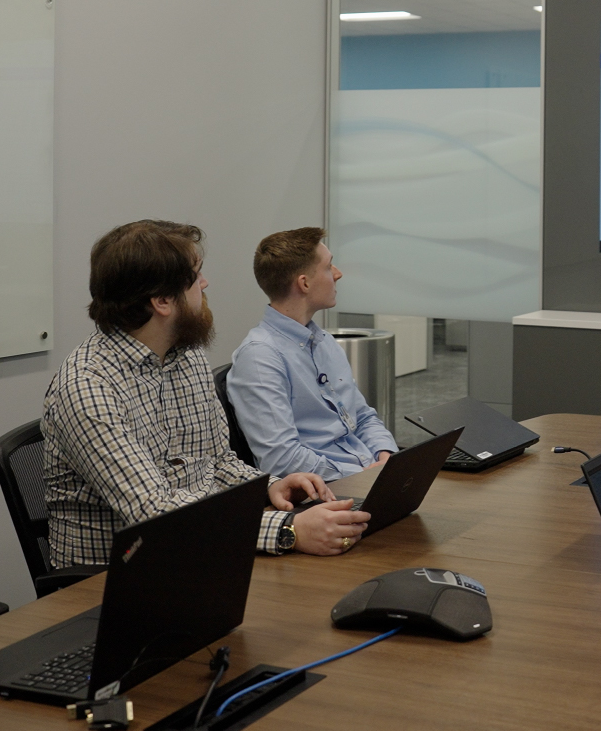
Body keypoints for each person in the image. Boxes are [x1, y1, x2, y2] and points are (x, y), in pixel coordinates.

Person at [41, 220, 369, 567]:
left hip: (195, 552)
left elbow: (217, 463)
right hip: (115, 580)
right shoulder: (88, 387)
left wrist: (270, 486)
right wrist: (288, 528)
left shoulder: (187, 356)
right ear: (163, 301)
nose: (205, 282)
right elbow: (155, 513)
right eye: (196, 275)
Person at [227, 228, 398, 481]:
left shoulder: (323, 341)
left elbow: (360, 417)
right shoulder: (260, 358)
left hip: (364, 475)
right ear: (304, 283)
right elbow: (282, 459)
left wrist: (385, 455)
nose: (338, 274)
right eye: (329, 267)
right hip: (326, 490)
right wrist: (361, 476)